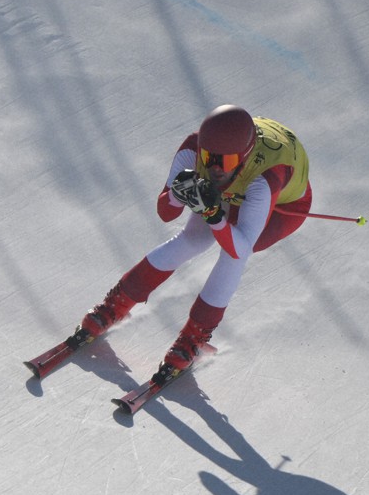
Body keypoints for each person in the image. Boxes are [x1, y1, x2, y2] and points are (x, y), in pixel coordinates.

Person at [78, 105, 311, 382]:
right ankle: (115, 304)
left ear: (244, 156)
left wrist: (214, 216)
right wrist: (178, 194)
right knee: (193, 239)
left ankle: (193, 337)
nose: (214, 168)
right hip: (237, 185)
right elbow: (166, 213)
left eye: (223, 162)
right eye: (208, 157)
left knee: (233, 255)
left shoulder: (265, 180)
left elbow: (239, 246)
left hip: (282, 206)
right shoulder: (193, 149)